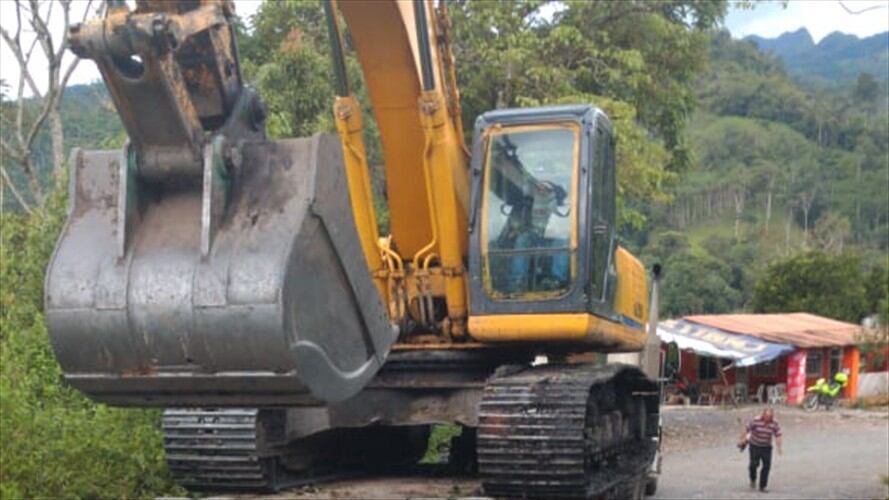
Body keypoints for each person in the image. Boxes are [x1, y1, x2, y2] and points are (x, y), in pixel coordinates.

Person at [739, 407, 783, 492]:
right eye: (766, 416)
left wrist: (779, 447)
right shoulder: (756, 421)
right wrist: (743, 439)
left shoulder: (774, 423)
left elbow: (778, 435)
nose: (767, 418)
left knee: (766, 466)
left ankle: (763, 486)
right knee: (753, 465)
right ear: (763, 415)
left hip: (766, 447)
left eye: (769, 416)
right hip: (755, 445)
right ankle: (753, 478)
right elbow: (746, 429)